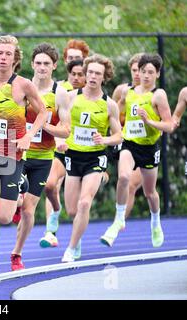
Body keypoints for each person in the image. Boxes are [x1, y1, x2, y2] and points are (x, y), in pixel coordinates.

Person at [0, 35, 47, 278]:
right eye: (0, 53)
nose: (3, 58)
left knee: (4, 217)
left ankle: (21, 185)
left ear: (14, 58)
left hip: (12, 156)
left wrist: (29, 136)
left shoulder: (23, 85)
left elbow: (43, 112)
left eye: (8, 54)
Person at [100, 53, 172, 248]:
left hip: (149, 148)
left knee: (150, 193)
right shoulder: (127, 92)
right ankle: (119, 219)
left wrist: (149, 120)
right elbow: (116, 110)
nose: (146, 76)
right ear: (137, 72)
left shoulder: (158, 95)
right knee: (123, 177)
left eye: (151, 72)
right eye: (143, 71)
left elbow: (170, 125)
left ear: (157, 73)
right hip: (129, 144)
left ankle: (155, 222)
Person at [9, 43, 70, 270]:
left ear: (54, 66)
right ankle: (15, 201)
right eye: (38, 63)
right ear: (32, 64)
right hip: (19, 154)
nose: (42, 67)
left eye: (46, 63)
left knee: (29, 209)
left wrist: (45, 127)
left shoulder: (60, 94)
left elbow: (66, 130)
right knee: (15, 199)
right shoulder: (21, 87)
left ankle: (17, 253)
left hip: (43, 157)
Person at [62, 54, 122, 262]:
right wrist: (61, 140)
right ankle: (77, 238)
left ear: (104, 77)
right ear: (86, 74)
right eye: (91, 73)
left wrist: (104, 140)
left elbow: (119, 136)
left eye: (98, 73)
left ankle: (70, 249)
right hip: (73, 155)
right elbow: (63, 125)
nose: (93, 76)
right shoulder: (71, 97)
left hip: (95, 158)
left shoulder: (109, 105)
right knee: (71, 210)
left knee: (84, 203)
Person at [42, 59, 86, 247]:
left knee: (75, 207)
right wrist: (59, 141)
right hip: (63, 150)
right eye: (73, 74)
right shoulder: (63, 93)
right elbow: (60, 123)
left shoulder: (99, 100)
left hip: (84, 154)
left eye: (80, 74)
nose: (76, 78)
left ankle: (76, 240)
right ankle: (53, 216)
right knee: (50, 184)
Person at [111, 53, 144, 219]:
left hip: (145, 147)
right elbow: (110, 114)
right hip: (125, 145)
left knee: (132, 185)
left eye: (142, 70)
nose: (138, 73)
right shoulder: (121, 91)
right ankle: (120, 219)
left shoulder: (155, 94)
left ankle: (120, 221)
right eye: (134, 70)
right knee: (125, 181)